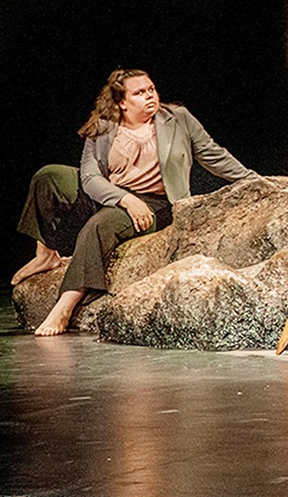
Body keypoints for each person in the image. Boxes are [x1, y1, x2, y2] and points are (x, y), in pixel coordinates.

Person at [13, 69, 261, 336]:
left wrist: (254, 180)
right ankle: (46, 256)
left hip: (156, 203)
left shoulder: (178, 118)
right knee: (48, 176)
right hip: (113, 194)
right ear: (122, 102)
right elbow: (90, 176)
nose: (149, 96)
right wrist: (123, 198)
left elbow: (214, 155)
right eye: (139, 93)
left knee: (99, 226)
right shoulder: (104, 126)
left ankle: (66, 305)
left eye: (151, 90)